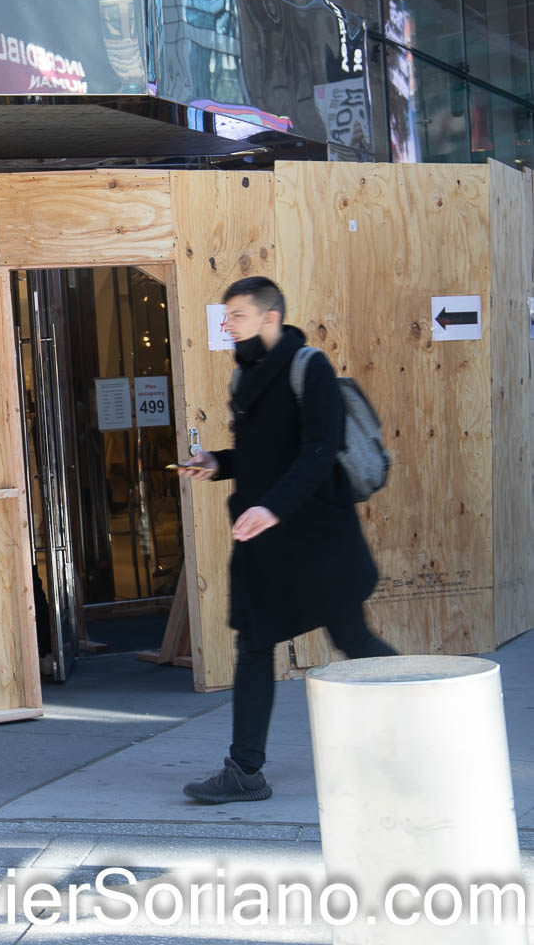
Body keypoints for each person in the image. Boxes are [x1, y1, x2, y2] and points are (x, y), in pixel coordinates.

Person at [176, 276, 396, 804]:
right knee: (254, 644)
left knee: (353, 640)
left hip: (317, 537)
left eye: (237, 317)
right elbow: (262, 456)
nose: (228, 326)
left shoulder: (308, 367)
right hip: (264, 540)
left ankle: (425, 724)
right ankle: (244, 770)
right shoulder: (245, 377)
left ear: (270, 318)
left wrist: (272, 507)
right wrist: (218, 463)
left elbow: (319, 453)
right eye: (226, 318)